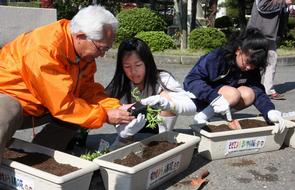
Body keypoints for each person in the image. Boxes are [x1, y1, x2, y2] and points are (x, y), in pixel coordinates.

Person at [0, 5, 135, 163]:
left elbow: (87, 91)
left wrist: (113, 107)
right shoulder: (44, 49)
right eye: (101, 48)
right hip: (11, 99)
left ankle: (40, 157)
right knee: (7, 108)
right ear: (80, 36)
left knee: (80, 113)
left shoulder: (83, 55)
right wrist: (105, 115)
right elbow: (63, 104)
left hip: (41, 103)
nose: (103, 55)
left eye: (107, 48)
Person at [183, 28, 286, 134]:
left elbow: (256, 89)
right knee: (233, 94)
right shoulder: (217, 57)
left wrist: (269, 111)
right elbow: (191, 80)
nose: (249, 68)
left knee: (249, 94)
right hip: (199, 95)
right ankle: (201, 117)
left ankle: (213, 115)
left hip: (222, 100)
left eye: (254, 65)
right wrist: (214, 98)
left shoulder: (251, 67)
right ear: (238, 50)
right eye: (247, 62)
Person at [106, 38, 197, 149]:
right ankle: (125, 140)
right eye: (127, 66)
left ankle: (163, 140)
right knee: (113, 106)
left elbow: (191, 107)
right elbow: (102, 109)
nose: (133, 71)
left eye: (138, 65)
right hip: (131, 126)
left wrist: (168, 104)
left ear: (147, 63)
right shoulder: (120, 84)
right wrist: (123, 132)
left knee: (165, 96)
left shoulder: (162, 79)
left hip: (158, 126)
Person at [247, 0, 295, 100]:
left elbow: (276, 8)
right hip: (258, 33)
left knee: (271, 60)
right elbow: (263, 6)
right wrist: (284, 2)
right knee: (253, 61)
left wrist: (289, 9)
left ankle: (268, 90)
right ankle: (247, 88)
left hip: (269, 34)